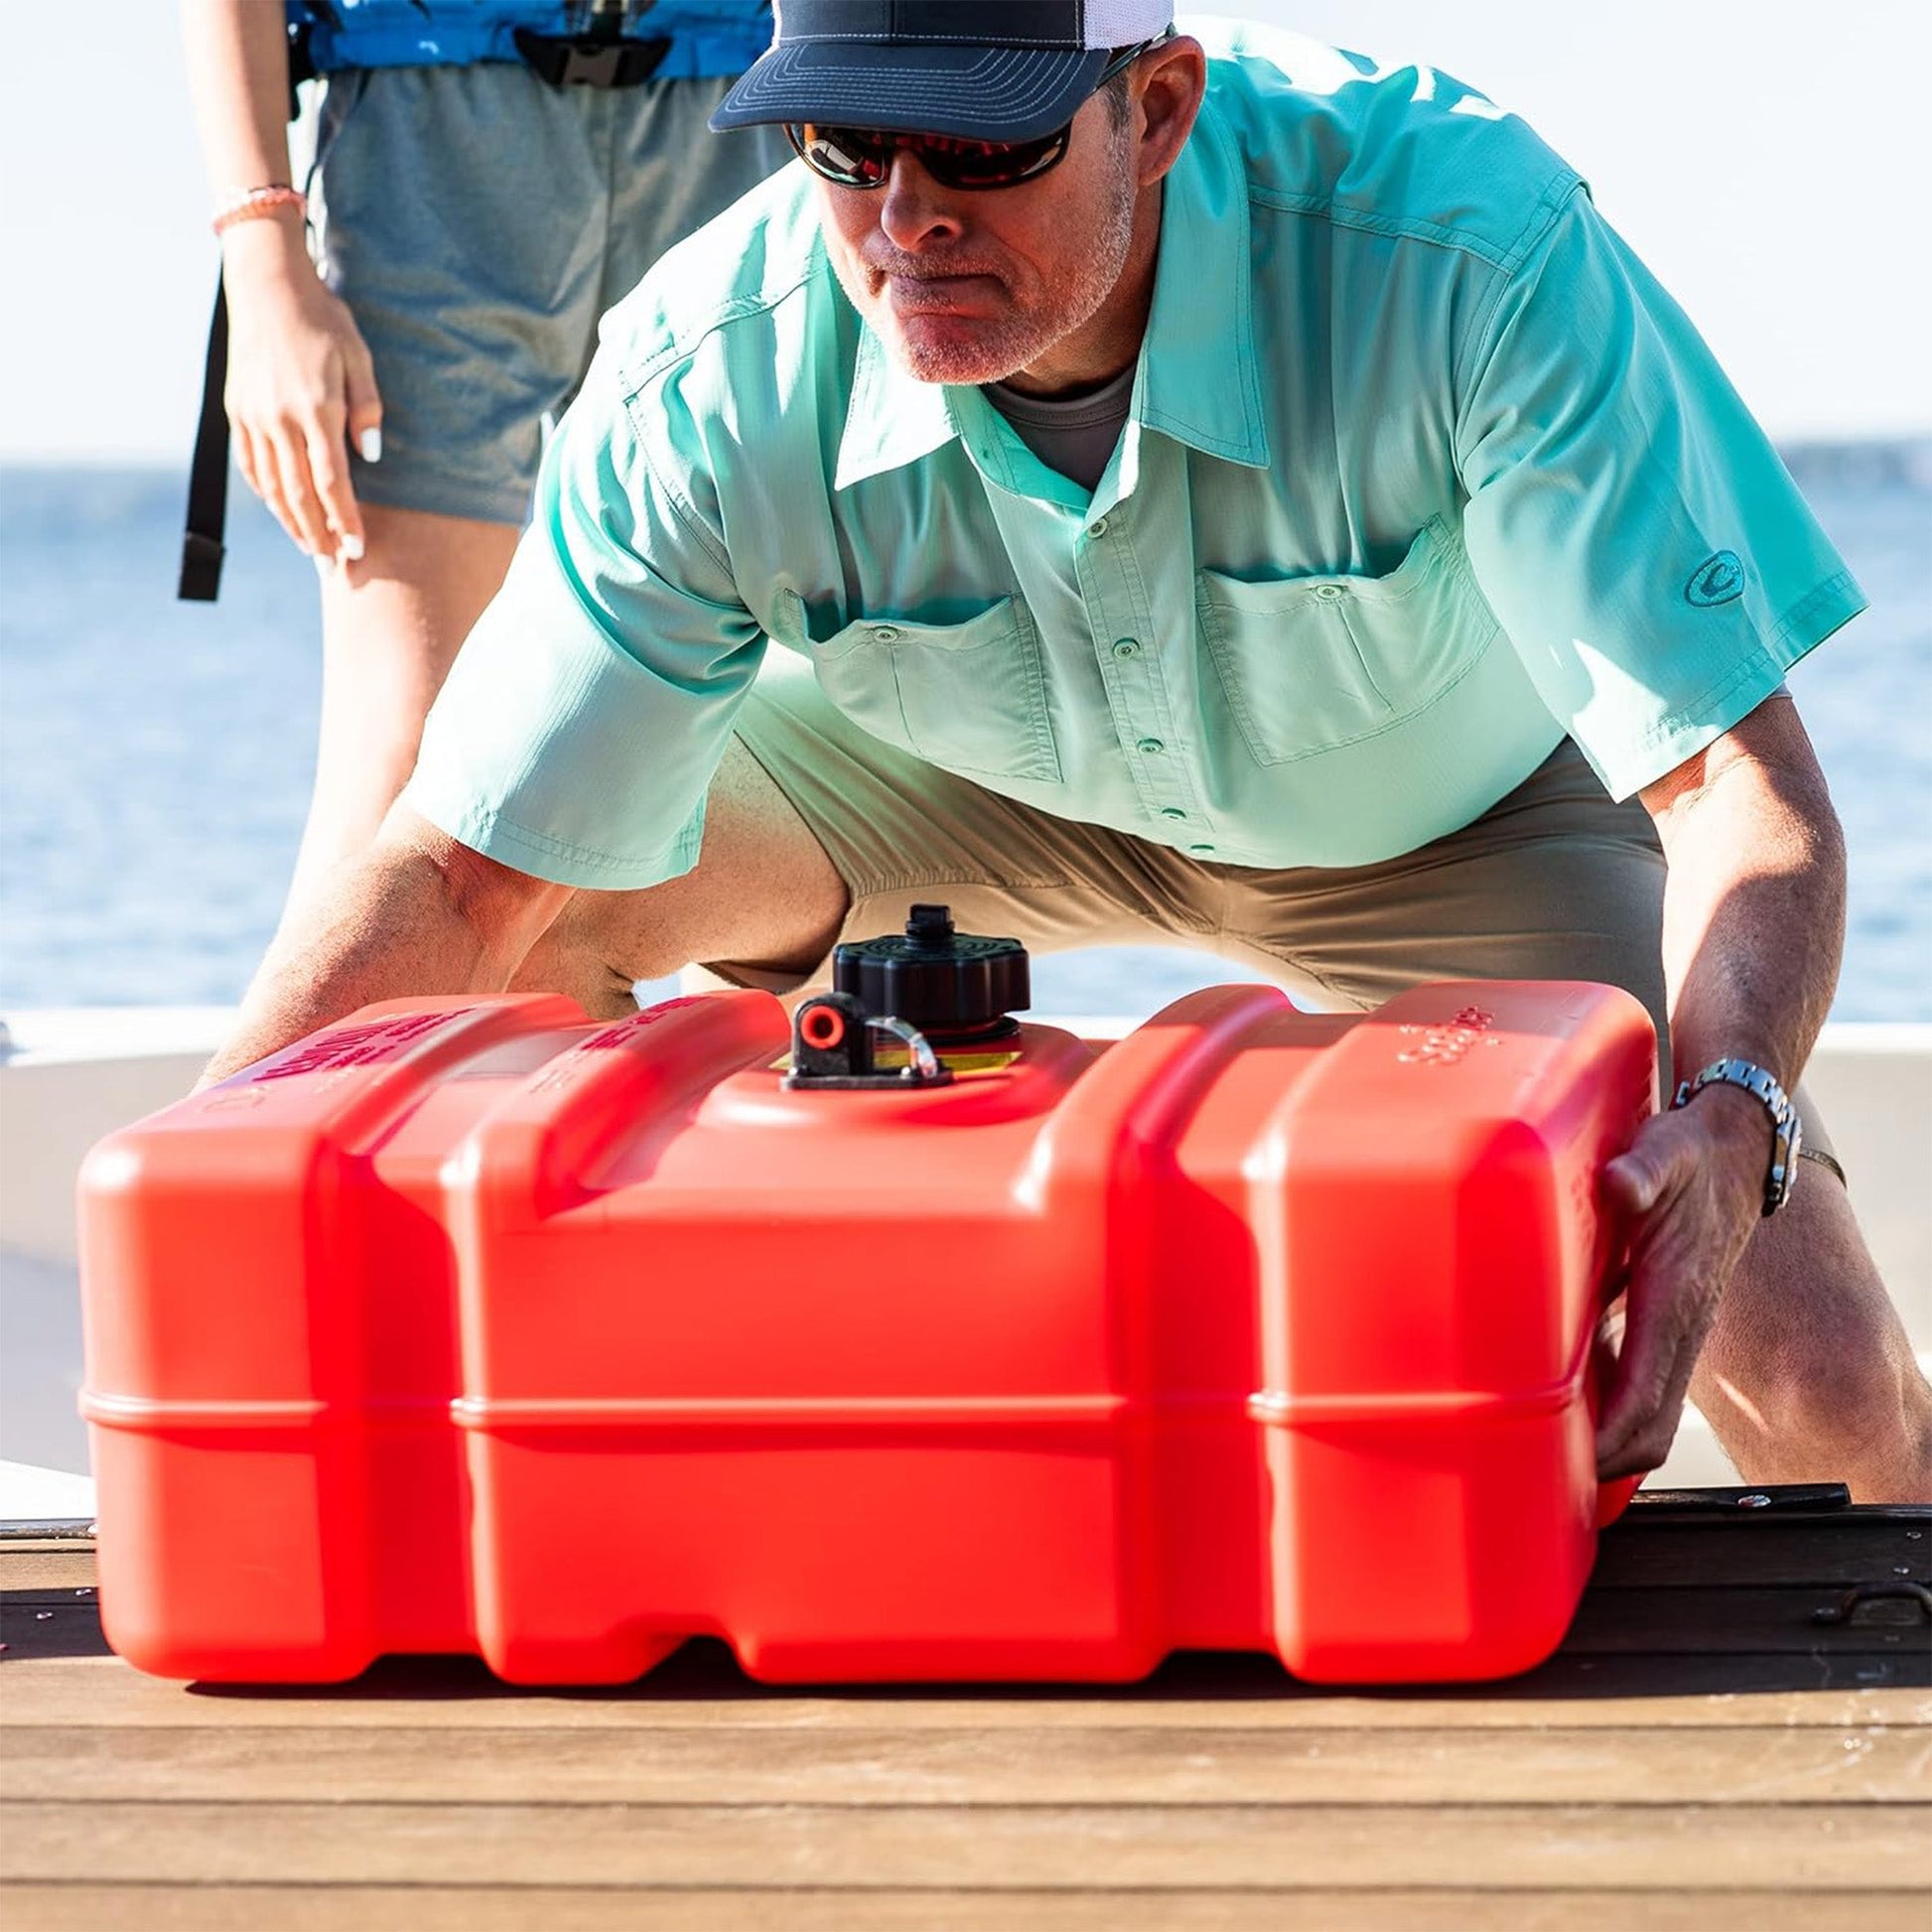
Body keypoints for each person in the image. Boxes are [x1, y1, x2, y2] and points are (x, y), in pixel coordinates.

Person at [204, 3, 1932, 1500]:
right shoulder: (706, 370)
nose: (905, 219)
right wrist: (201, 1214)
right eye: (843, 145)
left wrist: (1732, 1115)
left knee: (1824, 1383)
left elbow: (1737, 791)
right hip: (946, 789)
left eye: (980, 144)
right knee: (541, 901)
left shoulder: (1464, 249)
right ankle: (626, 1452)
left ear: (1157, 106)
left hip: (1450, 826)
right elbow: (459, 873)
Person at [182, 0, 787, 923]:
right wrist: (260, 256)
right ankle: (325, 1029)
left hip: (745, 111)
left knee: (761, 764)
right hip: (431, 132)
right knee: (405, 755)